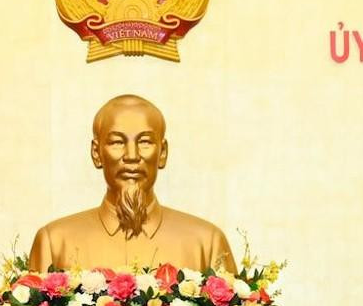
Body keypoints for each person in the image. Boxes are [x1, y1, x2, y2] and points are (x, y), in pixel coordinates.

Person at [26, 94, 236, 272]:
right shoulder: (54, 243)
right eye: (117, 142)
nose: (132, 156)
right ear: (96, 153)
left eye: (145, 142)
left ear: (162, 153)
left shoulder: (207, 244)